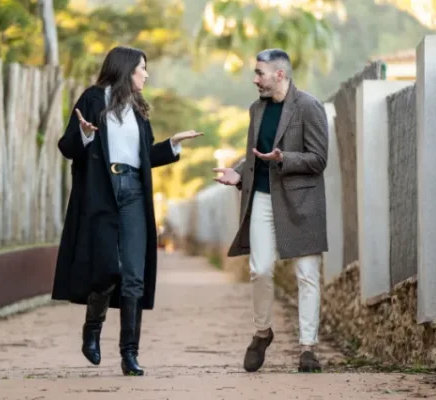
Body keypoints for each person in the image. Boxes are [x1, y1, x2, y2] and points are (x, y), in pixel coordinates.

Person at [51, 45, 202, 376]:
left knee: (134, 275)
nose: (146, 74)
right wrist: (84, 135)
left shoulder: (138, 109)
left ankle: (129, 354)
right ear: (125, 69)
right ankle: (92, 328)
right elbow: (67, 147)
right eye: (141, 68)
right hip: (101, 191)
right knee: (107, 268)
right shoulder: (93, 99)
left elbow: (144, 156)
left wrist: (173, 145)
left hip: (134, 190)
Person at [213, 49, 328, 373]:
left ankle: (308, 348)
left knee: (307, 275)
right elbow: (255, 155)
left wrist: (283, 158)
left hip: (302, 201)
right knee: (260, 270)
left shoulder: (309, 106)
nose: (255, 79)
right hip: (262, 197)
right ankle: (262, 332)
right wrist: (238, 172)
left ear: (279, 74)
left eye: (259, 73)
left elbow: (319, 158)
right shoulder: (257, 109)